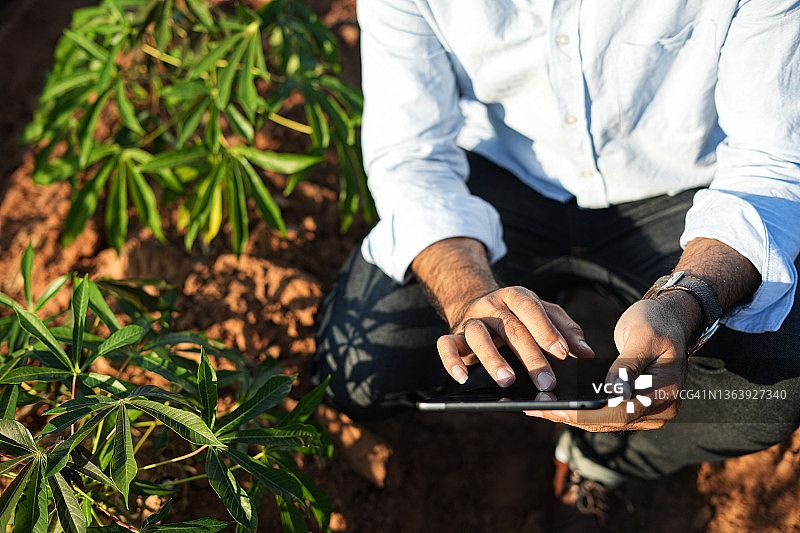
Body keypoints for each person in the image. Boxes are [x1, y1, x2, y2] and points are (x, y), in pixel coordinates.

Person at [311, 1, 800, 531]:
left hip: (685, 186)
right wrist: (468, 296)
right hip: (503, 174)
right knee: (357, 378)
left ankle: (597, 460)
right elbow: (411, 157)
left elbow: (771, 161)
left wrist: (686, 303)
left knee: (766, 396)